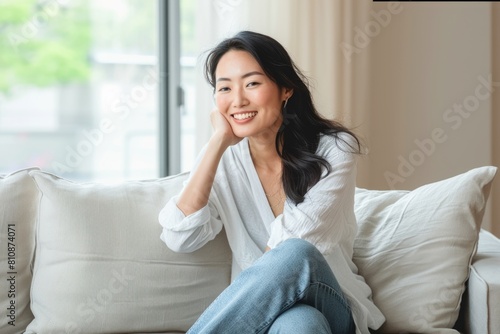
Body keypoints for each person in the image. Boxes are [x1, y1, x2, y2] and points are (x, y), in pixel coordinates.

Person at [159, 30, 385, 334]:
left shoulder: (334, 149)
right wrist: (216, 142)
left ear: (285, 88)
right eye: (224, 88)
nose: (238, 100)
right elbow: (180, 237)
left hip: (331, 301)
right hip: (273, 318)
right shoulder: (226, 157)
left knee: (295, 253)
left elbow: (295, 245)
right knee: (302, 325)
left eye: (252, 83)